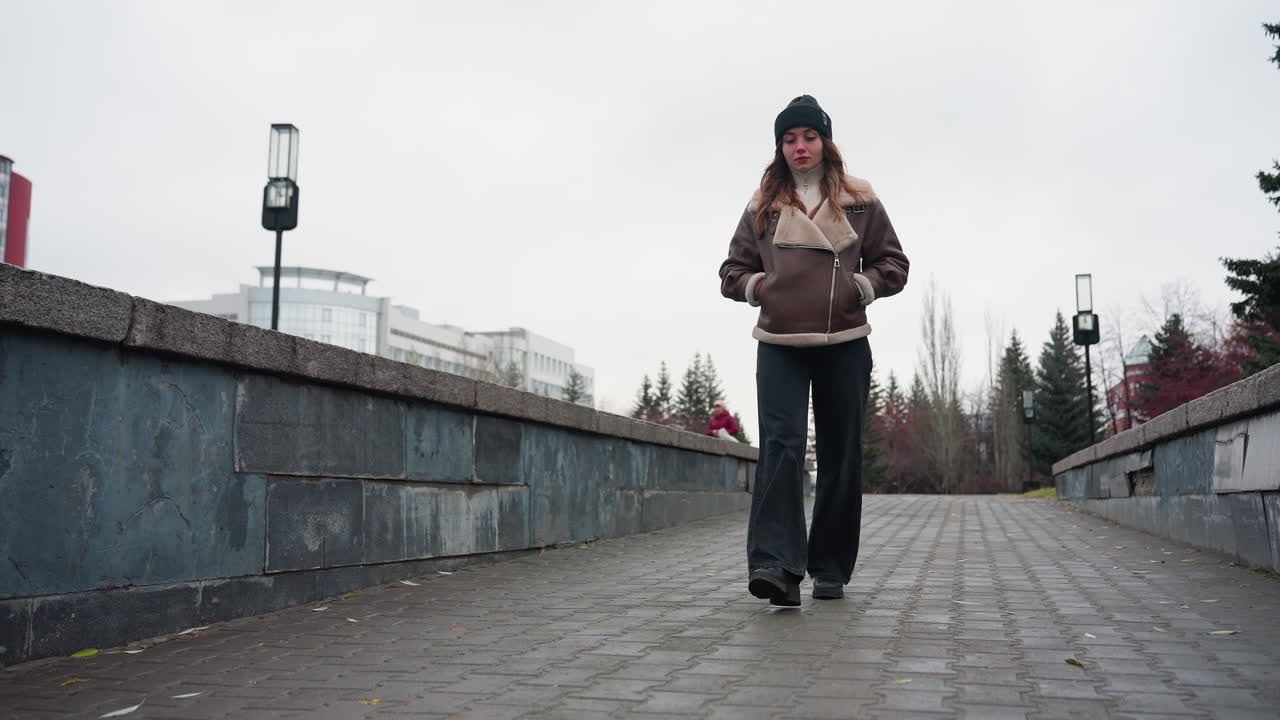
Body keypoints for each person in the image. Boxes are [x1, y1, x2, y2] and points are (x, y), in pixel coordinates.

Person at [718, 95, 909, 606]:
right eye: (789, 139)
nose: (799, 147)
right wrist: (760, 287)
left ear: (825, 141)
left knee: (840, 453)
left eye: (808, 136)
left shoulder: (860, 200)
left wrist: (862, 286)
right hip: (779, 341)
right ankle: (776, 567)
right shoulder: (762, 205)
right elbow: (731, 272)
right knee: (780, 448)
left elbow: (894, 263)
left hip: (844, 339)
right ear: (779, 148)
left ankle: (830, 567)